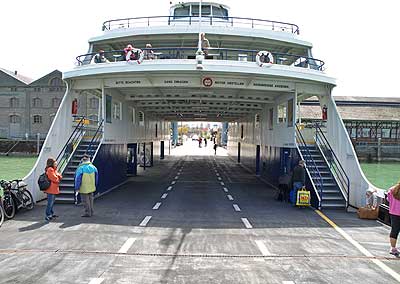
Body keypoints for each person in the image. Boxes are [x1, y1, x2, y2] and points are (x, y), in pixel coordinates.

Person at [387, 182, 400, 256]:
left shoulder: (392, 190)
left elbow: (388, 199)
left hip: (393, 212)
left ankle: (393, 248)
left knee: (394, 230)